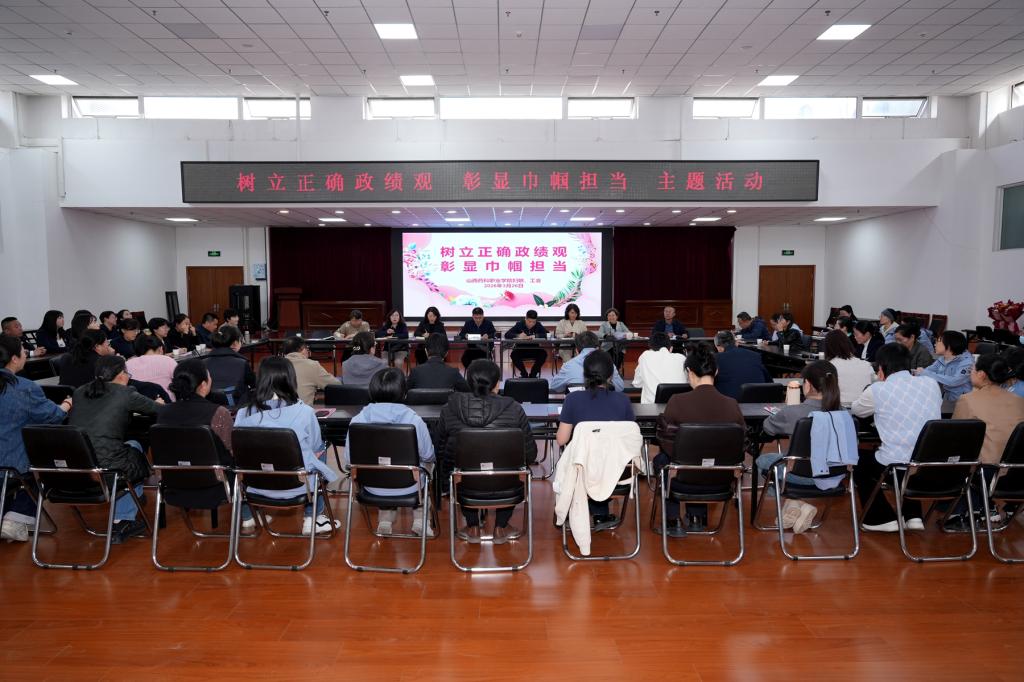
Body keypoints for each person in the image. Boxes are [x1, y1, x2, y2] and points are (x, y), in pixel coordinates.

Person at [234, 356, 339, 535]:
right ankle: (313, 518)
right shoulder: (305, 412)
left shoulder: (243, 413)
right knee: (320, 449)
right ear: (291, 379)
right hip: (299, 486)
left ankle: (248, 514)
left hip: (255, 486)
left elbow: (239, 452)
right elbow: (315, 448)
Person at [434, 359, 536, 543]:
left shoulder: (449, 409)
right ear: (496, 384)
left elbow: (439, 450)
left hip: (463, 487)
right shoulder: (514, 409)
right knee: (510, 469)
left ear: (468, 382)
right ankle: (501, 527)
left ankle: (473, 526)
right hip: (507, 486)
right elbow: (530, 455)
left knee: (460, 470)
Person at [68, 355, 162, 543]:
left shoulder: (79, 392)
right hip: (106, 467)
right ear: (120, 375)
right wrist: (159, 403)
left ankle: (133, 497)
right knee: (134, 447)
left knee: (128, 448)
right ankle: (122, 519)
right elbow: (158, 410)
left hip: (77, 465)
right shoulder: (125, 393)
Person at [655, 343, 745, 535]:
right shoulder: (732, 404)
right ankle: (697, 517)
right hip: (721, 479)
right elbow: (741, 444)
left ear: (689, 372)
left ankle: (673, 520)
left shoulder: (677, 401)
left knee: (663, 460)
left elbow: (665, 441)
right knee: (705, 456)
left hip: (682, 479)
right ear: (716, 371)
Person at [851, 343, 942, 532]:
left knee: (858, 461)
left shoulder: (878, 389)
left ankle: (881, 518)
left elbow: (857, 410)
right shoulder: (931, 383)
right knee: (912, 449)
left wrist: (878, 384)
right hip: (929, 466)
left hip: (896, 464)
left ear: (881, 367)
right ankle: (913, 515)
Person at [758, 360, 846, 533]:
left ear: (808, 384)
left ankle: (795, 502)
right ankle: (795, 504)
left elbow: (767, 427)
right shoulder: (844, 414)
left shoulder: (792, 412)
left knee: (762, 461)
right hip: (835, 475)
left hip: (801, 475)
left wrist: (787, 411)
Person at [347, 368, 436, 536]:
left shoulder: (357, 421)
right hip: (410, 486)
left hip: (372, 487)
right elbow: (428, 455)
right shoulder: (414, 420)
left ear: (371, 392)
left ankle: (385, 520)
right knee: (427, 463)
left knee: (382, 467)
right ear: (404, 394)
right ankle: (420, 520)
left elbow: (349, 459)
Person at [0, 336, 70, 542]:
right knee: (44, 465)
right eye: (23, 350)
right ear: (14, 358)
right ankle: (17, 518)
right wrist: (67, 404)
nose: (25, 353)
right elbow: (53, 416)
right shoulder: (24, 388)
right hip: (12, 466)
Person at [556, 350, 635, 530]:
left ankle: (571, 510)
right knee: (602, 457)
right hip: (615, 473)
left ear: (585, 375)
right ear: (611, 376)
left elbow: (561, 440)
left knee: (581, 457)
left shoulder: (572, 399)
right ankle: (601, 513)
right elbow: (630, 439)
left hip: (581, 472)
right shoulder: (623, 400)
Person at [952, 354, 1024, 466]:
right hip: (1015, 466)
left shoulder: (967, 400)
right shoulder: (1019, 400)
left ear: (981, 374)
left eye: (972, 369)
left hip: (984, 468)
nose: (970, 373)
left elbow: (954, 436)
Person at [155, 359, 234, 461]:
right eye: (209, 376)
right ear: (203, 385)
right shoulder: (219, 412)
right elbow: (232, 450)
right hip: (213, 470)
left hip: (171, 470)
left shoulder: (163, 412)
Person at [550, 331, 625, 393]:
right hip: (605, 405)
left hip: (577, 405)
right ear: (598, 348)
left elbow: (554, 387)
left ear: (576, 350)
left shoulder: (568, 366)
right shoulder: (609, 363)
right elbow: (620, 388)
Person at [203, 325, 256, 405]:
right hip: (237, 407)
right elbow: (254, 384)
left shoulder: (203, 363)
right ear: (235, 343)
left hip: (211, 407)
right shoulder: (242, 363)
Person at [915, 330, 973, 402]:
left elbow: (954, 381)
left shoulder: (967, 362)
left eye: (938, 341)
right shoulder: (943, 358)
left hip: (961, 400)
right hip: (945, 397)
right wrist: (919, 372)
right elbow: (928, 371)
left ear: (949, 345)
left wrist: (925, 373)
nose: (935, 344)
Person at [823, 330, 875, 406]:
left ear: (828, 347)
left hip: (837, 408)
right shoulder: (866, 365)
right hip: (863, 408)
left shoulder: (829, 366)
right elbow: (875, 384)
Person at [631, 332, 686, 405]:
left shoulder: (645, 356)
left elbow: (637, 383)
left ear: (650, 348)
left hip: (651, 408)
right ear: (671, 348)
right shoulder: (682, 358)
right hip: (678, 406)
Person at [283, 336, 341, 405]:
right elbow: (336, 385)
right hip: (302, 410)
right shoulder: (312, 365)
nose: (308, 351)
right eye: (307, 348)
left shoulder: (274, 366)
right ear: (303, 349)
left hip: (275, 411)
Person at [714, 330, 771, 399]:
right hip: (758, 399)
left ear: (719, 347)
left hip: (730, 401)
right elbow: (769, 380)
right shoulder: (755, 355)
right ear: (736, 343)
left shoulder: (716, 358)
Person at [126, 333, 178, 399]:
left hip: (140, 403)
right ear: (160, 349)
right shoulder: (167, 360)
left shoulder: (128, 364)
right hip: (167, 402)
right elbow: (179, 381)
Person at [505, 309, 549, 378]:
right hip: (521, 349)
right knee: (513, 354)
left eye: (533, 322)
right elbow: (507, 334)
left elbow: (547, 334)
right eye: (529, 321)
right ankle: (524, 374)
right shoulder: (519, 324)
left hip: (535, 349)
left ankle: (533, 374)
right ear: (525, 318)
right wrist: (518, 335)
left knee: (543, 354)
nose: (531, 324)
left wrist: (535, 336)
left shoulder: (538, 325)